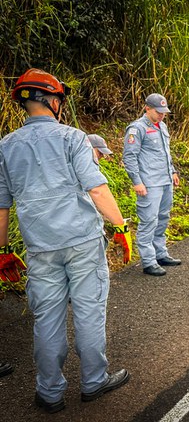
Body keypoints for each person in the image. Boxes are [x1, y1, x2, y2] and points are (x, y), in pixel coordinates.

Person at [0, 69, 132, 413]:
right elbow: (97, 188)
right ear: (54, 101)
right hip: (83, 241)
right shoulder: (73, 138)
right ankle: (93, 381)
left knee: (47, 318)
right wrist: (120, 227)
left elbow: (1, 205)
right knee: (88, 311)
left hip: (40, 247)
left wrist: (3, 251)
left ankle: (49, 392)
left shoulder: (5, 146)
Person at [123, 93, 181, 276]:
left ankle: (160, 253)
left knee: (163, 218)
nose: (162, 115)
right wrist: (137, 182)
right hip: (149, 184)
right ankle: (148, 261)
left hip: (165, 180)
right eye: (158, 112)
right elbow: (129, 157)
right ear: (147, 108)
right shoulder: (137, 128)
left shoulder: (162, 126)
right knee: (149, 220)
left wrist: (172, 171)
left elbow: (165, 153)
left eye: (164, 112)